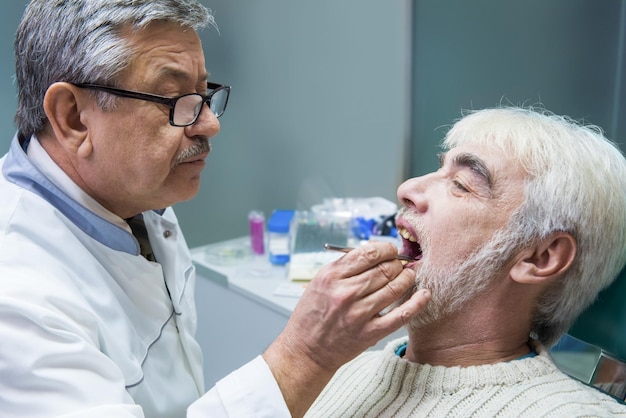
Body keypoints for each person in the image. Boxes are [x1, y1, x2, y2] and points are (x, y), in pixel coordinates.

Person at [0, 1, 431, 417]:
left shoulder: (130, 196)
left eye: (204, 92)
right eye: (173, 100)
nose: (210, 123)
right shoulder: (19, 299)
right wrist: (307, 354)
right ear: (73, 117)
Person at [305, 107, 626, 417]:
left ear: (540, 257)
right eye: (440, 168)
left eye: (461, 184)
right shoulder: (333, 371)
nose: (407, 189)